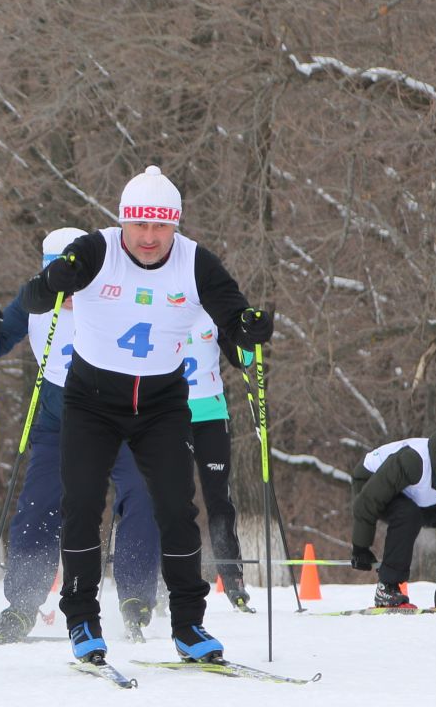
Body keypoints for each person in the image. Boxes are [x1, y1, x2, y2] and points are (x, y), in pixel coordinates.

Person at [19, 166, 272, 665]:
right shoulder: (97, 250)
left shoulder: (196, 261)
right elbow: (31, 299)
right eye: (140, 226)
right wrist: (53, 280)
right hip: (92, 400)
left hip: (161, 402)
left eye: (161, 227)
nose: (150, 238)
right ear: (124, 223)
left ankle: (188, 625)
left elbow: (233, 316)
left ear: (175, 225)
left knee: (176, 507)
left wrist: (250, 328)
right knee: (83, 503)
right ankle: (83, 621)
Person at [0, 228, 161, 643]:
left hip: (117, 414)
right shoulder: (33, 300)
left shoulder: (117, 295)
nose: (68, 291)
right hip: (56, 416)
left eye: (76, 278)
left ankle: (136, 599)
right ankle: (22, 605)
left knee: (142, 493)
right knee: (38, 505)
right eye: (56, 277)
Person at [347, 432, 436, 609]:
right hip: (370, 483)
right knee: (407, 514)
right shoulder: (413, 462)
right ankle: (387, 587)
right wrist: (360, 547)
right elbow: (366, 501)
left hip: (414, 494)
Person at [183, 311, 252, 611]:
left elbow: (242, 358)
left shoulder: (212, 312)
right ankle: (172, 576)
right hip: (171, 417)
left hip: (211, 415)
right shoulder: (160, 303)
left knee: (219, 500)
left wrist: (251, 335)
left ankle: (232, 579)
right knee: (174, 500)